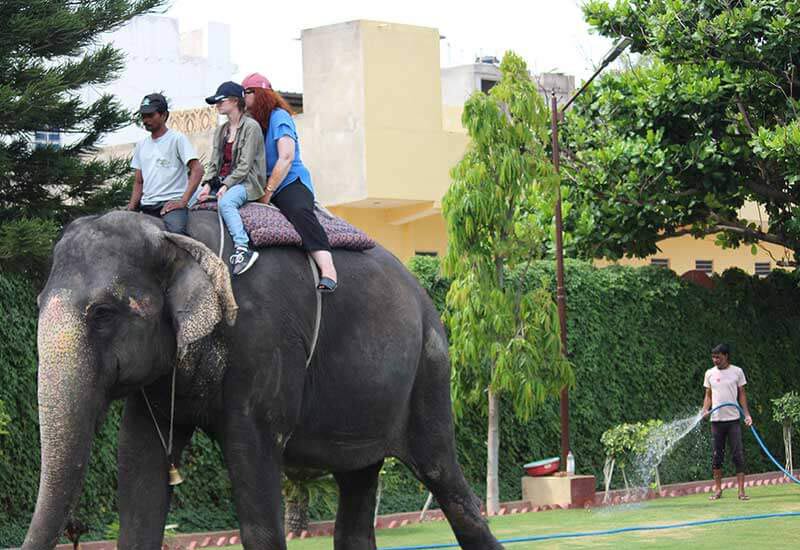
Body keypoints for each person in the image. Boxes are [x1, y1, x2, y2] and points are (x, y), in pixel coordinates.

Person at [240, 72, 338, 292]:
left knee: (299, 211)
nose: (243, 99)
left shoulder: (279, 117)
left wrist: (268, 191)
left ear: (260, 94)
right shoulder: (254, 124)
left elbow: (286, 157)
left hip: (289, 182)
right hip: (260, 184)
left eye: (246, 93)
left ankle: (328, 268)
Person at [200, 81, 266, 276]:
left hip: (248, 182)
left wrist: (227, 186)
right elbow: (214, 162)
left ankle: (242, 249)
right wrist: (206, 184)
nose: (217, 105)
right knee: (192, 198)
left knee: (226, 204)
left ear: (235, 101)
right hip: (223, 180)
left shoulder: (251, 127)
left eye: (221, 101)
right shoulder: (222, 130)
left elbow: (245, 166)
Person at [126, 93, 203, 234]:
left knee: (177, 240)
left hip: (171, 205)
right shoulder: (141, 145)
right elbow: (138, 181)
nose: (146, 120)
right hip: (147, 206)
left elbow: (197, 170)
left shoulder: (177, 139)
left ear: (164, 115)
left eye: (151, 115)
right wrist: (131, 208)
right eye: (143, 116)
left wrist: (183, 201)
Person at [701, 343, 753, 501]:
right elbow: (708, 395)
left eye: (718, 357)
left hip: (733, 421)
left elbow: (742, 394)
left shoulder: (737, 372)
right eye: (713, 357)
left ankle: (741, 491)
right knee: (717, 456)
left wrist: (747, 415)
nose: (715, 360)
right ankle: (718, 490)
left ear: (726, 356)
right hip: (716, 421)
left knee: (738, 455)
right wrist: (704, 410)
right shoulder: (709, 373)